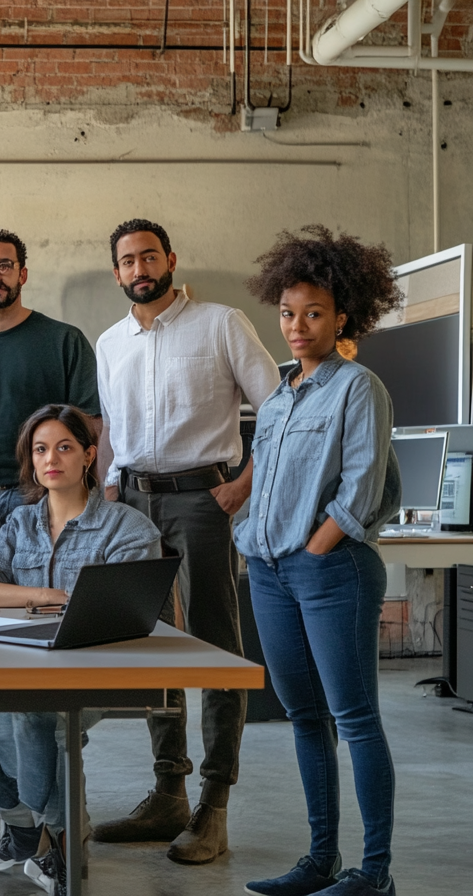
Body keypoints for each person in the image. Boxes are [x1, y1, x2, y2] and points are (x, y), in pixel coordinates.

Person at [93, 218, 280, 864]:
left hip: (203, 500)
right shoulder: (109, 342)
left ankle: (213, 805)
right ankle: (168, 792)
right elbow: (112, 429)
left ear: (170, 260)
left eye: (149, 256)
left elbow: (279, 410)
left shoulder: (221, 324)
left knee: (216, 647)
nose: (139, 269)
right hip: (133, 506)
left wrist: (243, 485)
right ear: (117, 272)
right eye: (128, 261)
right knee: (149, 648)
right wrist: (110, 492)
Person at [0, 404, 161, 893]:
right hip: (20, 666)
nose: (51, 459)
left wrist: (32, 601)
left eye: (64, 447)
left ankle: (61, 841)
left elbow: (128, 614)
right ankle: (27, 825)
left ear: (89, 455)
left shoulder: (128, 528)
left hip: (95, 671)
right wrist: (46, 596)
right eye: (40, 449)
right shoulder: (20, 524)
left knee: (33, 716)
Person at [236, 226, 403, 896]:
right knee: (305, 718)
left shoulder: (359, 387)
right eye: (287, 313)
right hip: (270, 572)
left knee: (355, 719)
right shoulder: (279, 395)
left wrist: (314, 548)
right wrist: (257, 542)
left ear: (342, 317)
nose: (297, 326)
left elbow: (361, 489)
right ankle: (320, 860)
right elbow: (266, 482)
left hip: (332, 572)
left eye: (313, 313)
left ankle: (376, 873)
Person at [0, 225, 102, 583]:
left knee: (42, 595)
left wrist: (87, 491)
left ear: (22, 274)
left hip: (40, 496)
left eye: (4, 265)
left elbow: (91, 423)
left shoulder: (64, 340)